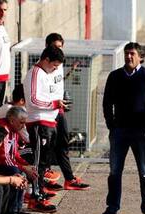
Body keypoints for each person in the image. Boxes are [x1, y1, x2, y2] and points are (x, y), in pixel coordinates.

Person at [96, 42, 145, 214]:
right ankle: (112, 210)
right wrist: (111, 124)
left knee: (144, 173)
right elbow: (106, 103)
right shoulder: (115, 76)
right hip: (119, 132)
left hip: (141, 134)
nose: (128, 57)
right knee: (114, 172)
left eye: (132, 54)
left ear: (140, 57)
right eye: (126, 54)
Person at [43, 33, 90, 191]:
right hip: (47, 112)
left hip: (59, 110)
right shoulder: (43, 67)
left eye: (60, 47)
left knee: (63, 144)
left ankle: (69, 179)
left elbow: (59, 82)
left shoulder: (59, 64)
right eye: (55, 47)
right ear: (48, 47)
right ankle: (45, 181)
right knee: (47, 146)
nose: (58, 50)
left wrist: (70, 71)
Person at [23, 45, 66, 213]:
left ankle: (40, 191)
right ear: (46, 59)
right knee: (38, 162)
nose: (55, 69)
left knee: (45, 163)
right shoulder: (35, 73)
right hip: (39, 123)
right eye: (54, 65)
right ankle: (35, 197)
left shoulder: (47, 74)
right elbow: (33, 100)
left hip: (49, 122)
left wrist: (58, 105)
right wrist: (53, 104)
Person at [0, 106, 38, 214]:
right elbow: (3, 156)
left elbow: (15, 153)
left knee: (23, 171)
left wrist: (27, 165)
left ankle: (17, 209)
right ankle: (10, 212)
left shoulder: (14, 131)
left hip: (5, 162)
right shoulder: (4, 129)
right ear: (12, 120)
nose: (24, 126)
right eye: (21, 122)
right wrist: (23, 168)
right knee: (17, 172)